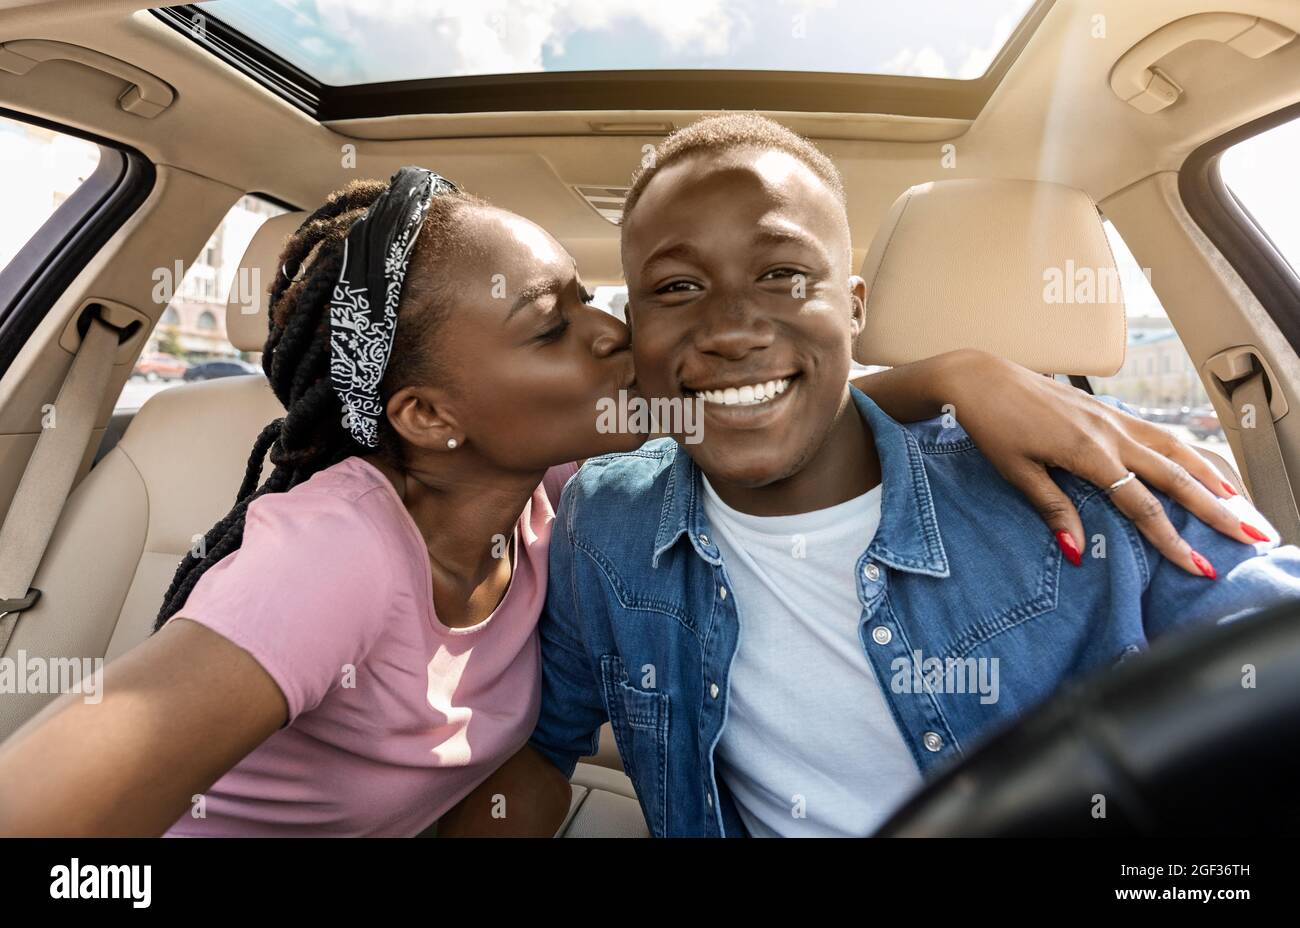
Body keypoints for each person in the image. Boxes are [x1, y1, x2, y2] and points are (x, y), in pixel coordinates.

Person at [0, 163, 1261, 837]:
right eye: (562, 322)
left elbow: (758, 386)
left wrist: (969, 371)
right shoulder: (341, 550)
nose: (622, 341)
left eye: (597, 301)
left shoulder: (554, 490)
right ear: (430, 416)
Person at [441, 114, 1300, 839]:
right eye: (676, 287)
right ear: (634, 332)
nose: (733, 327)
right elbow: (547, 743)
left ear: (852, 307)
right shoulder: (606, 521)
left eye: (782, 274)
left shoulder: (1090, 486)